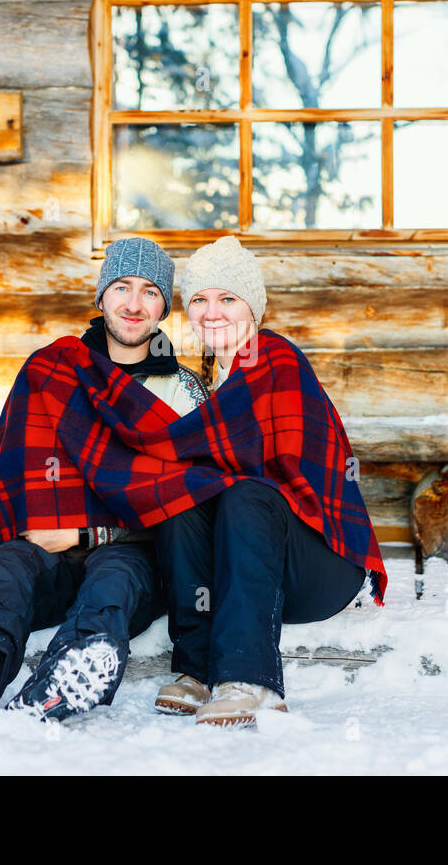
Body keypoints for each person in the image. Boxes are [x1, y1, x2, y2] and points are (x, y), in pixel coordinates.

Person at [0, 237, 206, 721]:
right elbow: (8, 477)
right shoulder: (52, 370)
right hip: (47, 552)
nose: (134, 304)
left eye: (151, 291)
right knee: (7, 564)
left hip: (134, 555)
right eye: (123, 287)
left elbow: (186, 503)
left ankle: (64, 680)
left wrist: (89, 533)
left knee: (114, 578)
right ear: (101, 296)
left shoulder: (183, 390)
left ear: (164, 307)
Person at [152, 236, 386, 726]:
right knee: (181, 500)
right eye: (199, 300)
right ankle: (195, 672)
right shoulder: (204, 382)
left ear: (253, 307)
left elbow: (245, 458)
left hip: (322, 565)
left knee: (245, 493)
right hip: (246, 574)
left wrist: (147, 445)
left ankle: (250, 680)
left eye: (228, 299)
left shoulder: (273, 356)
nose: (212, 312)